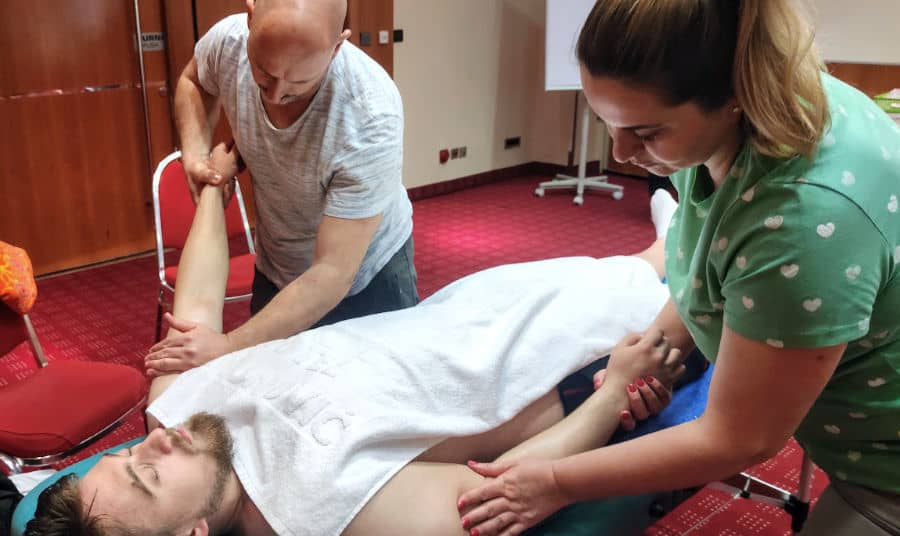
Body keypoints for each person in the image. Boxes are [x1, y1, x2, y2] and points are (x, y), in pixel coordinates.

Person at [457, 0, 900, 534]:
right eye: (606, 122)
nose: (620, 152)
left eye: (645, 132)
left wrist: (555, 482)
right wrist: (656, 351)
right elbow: (706, 251)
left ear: (735, 97)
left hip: (882, 461)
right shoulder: (745, 108)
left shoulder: (803, 219)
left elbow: (742, 437)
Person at [24, 147, 686, 536]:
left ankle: (668, 233)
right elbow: (506, 492)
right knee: (673, 284)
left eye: (129, 453)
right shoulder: (311, 512)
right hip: (545, 359)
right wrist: (610, 398)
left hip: (458, 310)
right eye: (147, 475)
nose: (156, 443)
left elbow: (195, 300)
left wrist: (215, 189)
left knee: (637, 262)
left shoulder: (175, 408)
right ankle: (683, 233)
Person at [147, 0, 417, 386]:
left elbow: (331, 273)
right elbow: (194, 79)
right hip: (279, 262)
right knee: (272, 390)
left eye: (299, 81)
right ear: (250, 17)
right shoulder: (228, 40)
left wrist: (229, 345)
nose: (274, 95)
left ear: (337, 46)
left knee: (370, 396)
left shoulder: (369, 116)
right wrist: (196, 152)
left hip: (365, 277)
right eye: (264, 73)